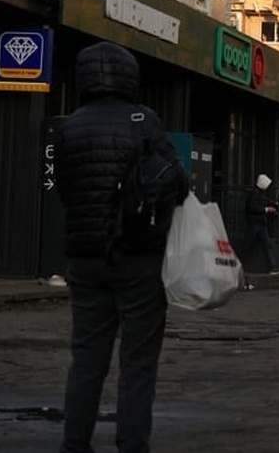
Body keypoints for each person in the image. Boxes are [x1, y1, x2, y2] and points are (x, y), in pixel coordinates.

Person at [53, 41, 189, 453]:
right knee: (138, 361)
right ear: (129, 76)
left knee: (87, 358)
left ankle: (74, 444)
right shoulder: (142, 120)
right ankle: (132, 445)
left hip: (85, 260)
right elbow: (176, 182)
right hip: (138, 259)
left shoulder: (70, 126)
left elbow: (64, 189)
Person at [246, 173, 279, 276]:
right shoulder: (256, 193)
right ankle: (272, 266)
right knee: (260, 245)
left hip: (257, 222)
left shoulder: (256, 193)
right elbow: (252, 207)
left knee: (263, 244)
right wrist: (266, 209)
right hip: (256, 222)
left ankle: (272, 266)